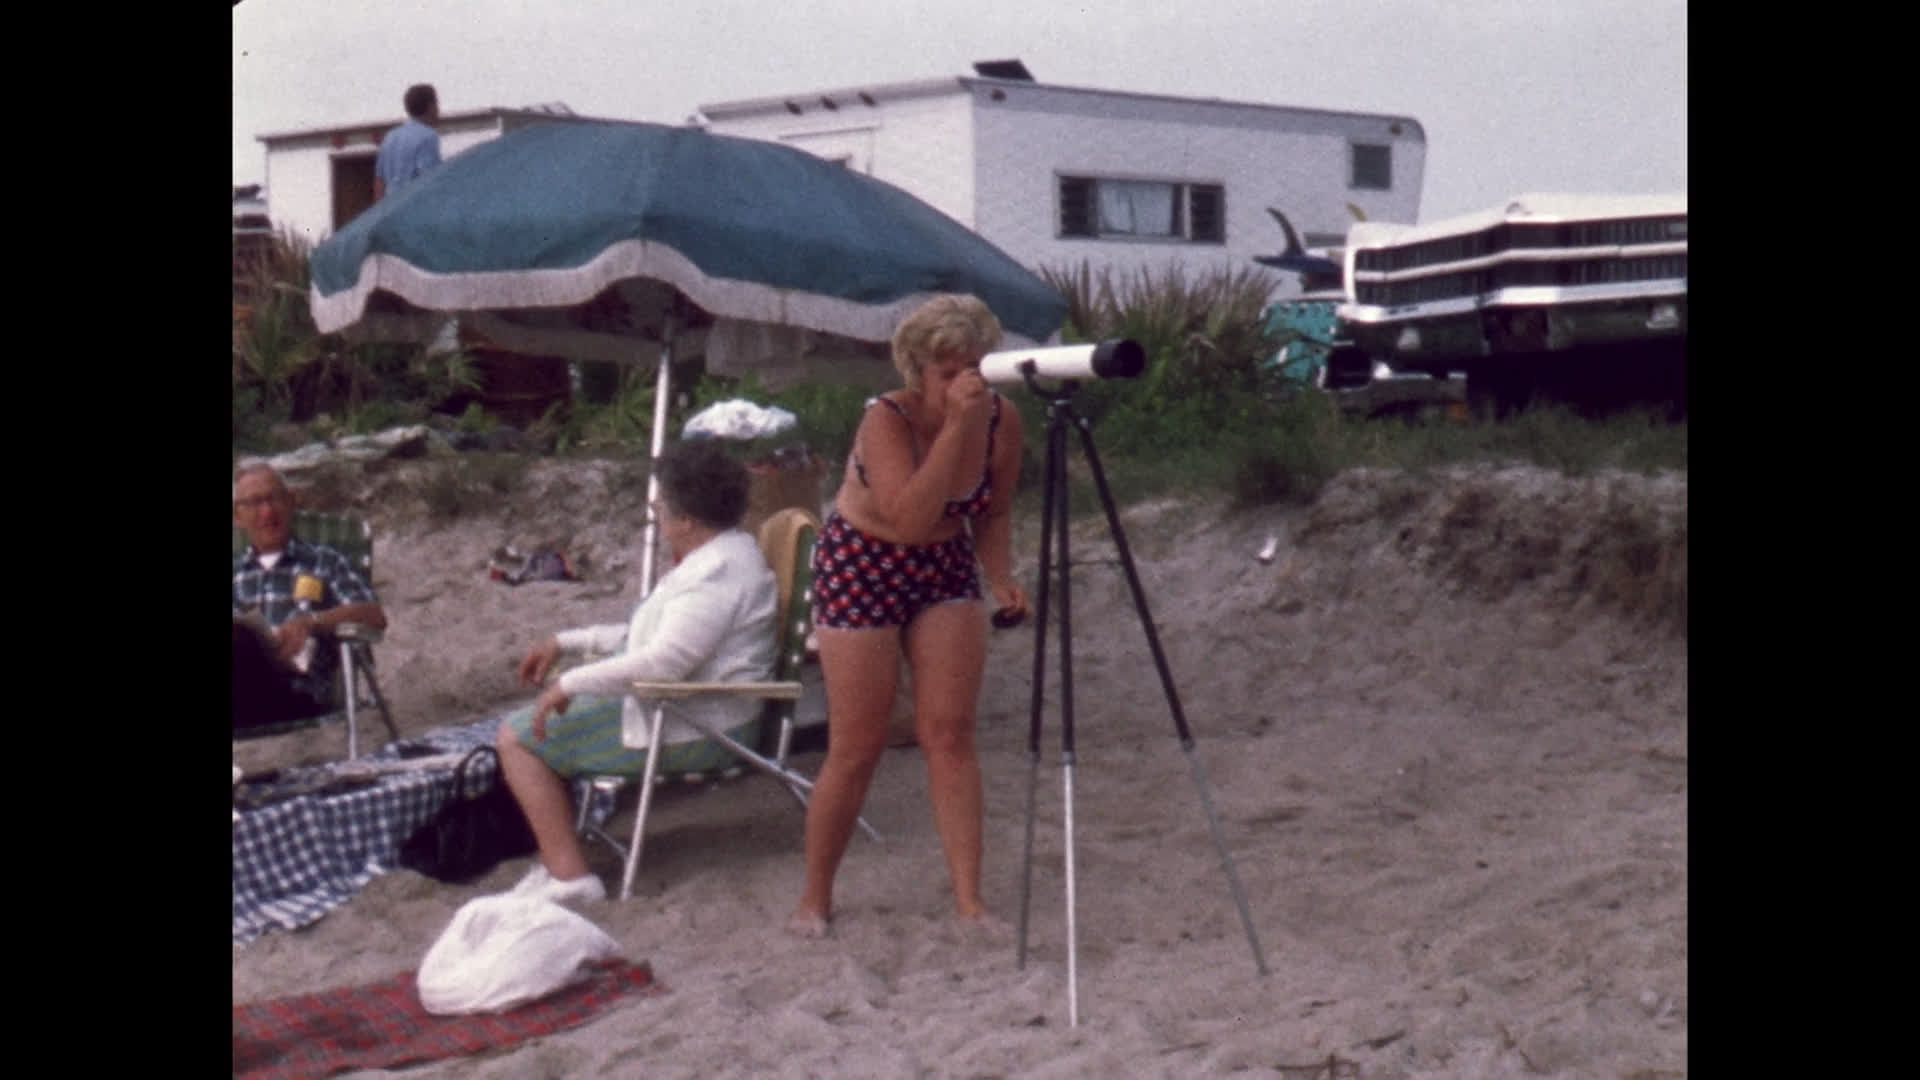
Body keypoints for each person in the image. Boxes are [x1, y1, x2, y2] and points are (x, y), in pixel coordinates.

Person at [788, 293, 1029, 938]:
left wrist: (999, 574)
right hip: (863, 560)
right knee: (857, 744)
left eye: (976, 366)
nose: (967, 383)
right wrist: (954, 428)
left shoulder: (1004, 419)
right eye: (950, 372)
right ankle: (815, 897)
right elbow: (908, 517)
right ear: (919, 372)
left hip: (943, 561)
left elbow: (996, 508)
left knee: (949, 733)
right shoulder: (885, 421)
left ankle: (970, 899)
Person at [497, 441, 778, 905]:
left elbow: (664, 661)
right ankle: (560, 858)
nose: (655, 510)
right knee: (535, 724)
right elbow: (646, 637)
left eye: (661, 502)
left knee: (517, 737)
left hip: (700, 726)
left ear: (686, 518)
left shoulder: (715, 575)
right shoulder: (720, 557)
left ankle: (570, 877)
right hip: (685, 707)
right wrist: (567, 643)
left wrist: (569, 682)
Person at [232, 464, 389, 732]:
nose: (267, 512)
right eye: (255, 503)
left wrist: (313, 621)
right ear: (237, 516)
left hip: (299, 691)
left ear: (291, 502)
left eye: (275, 499)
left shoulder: (325, 561)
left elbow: (374, 616)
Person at [373, 83, 442, 201]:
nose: (438, 109)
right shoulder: (428, 136)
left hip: (391, 207)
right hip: (414, 207)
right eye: (437, 104)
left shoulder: (390, 137)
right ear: (430, 107)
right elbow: (430, 179)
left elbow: (379, 181)